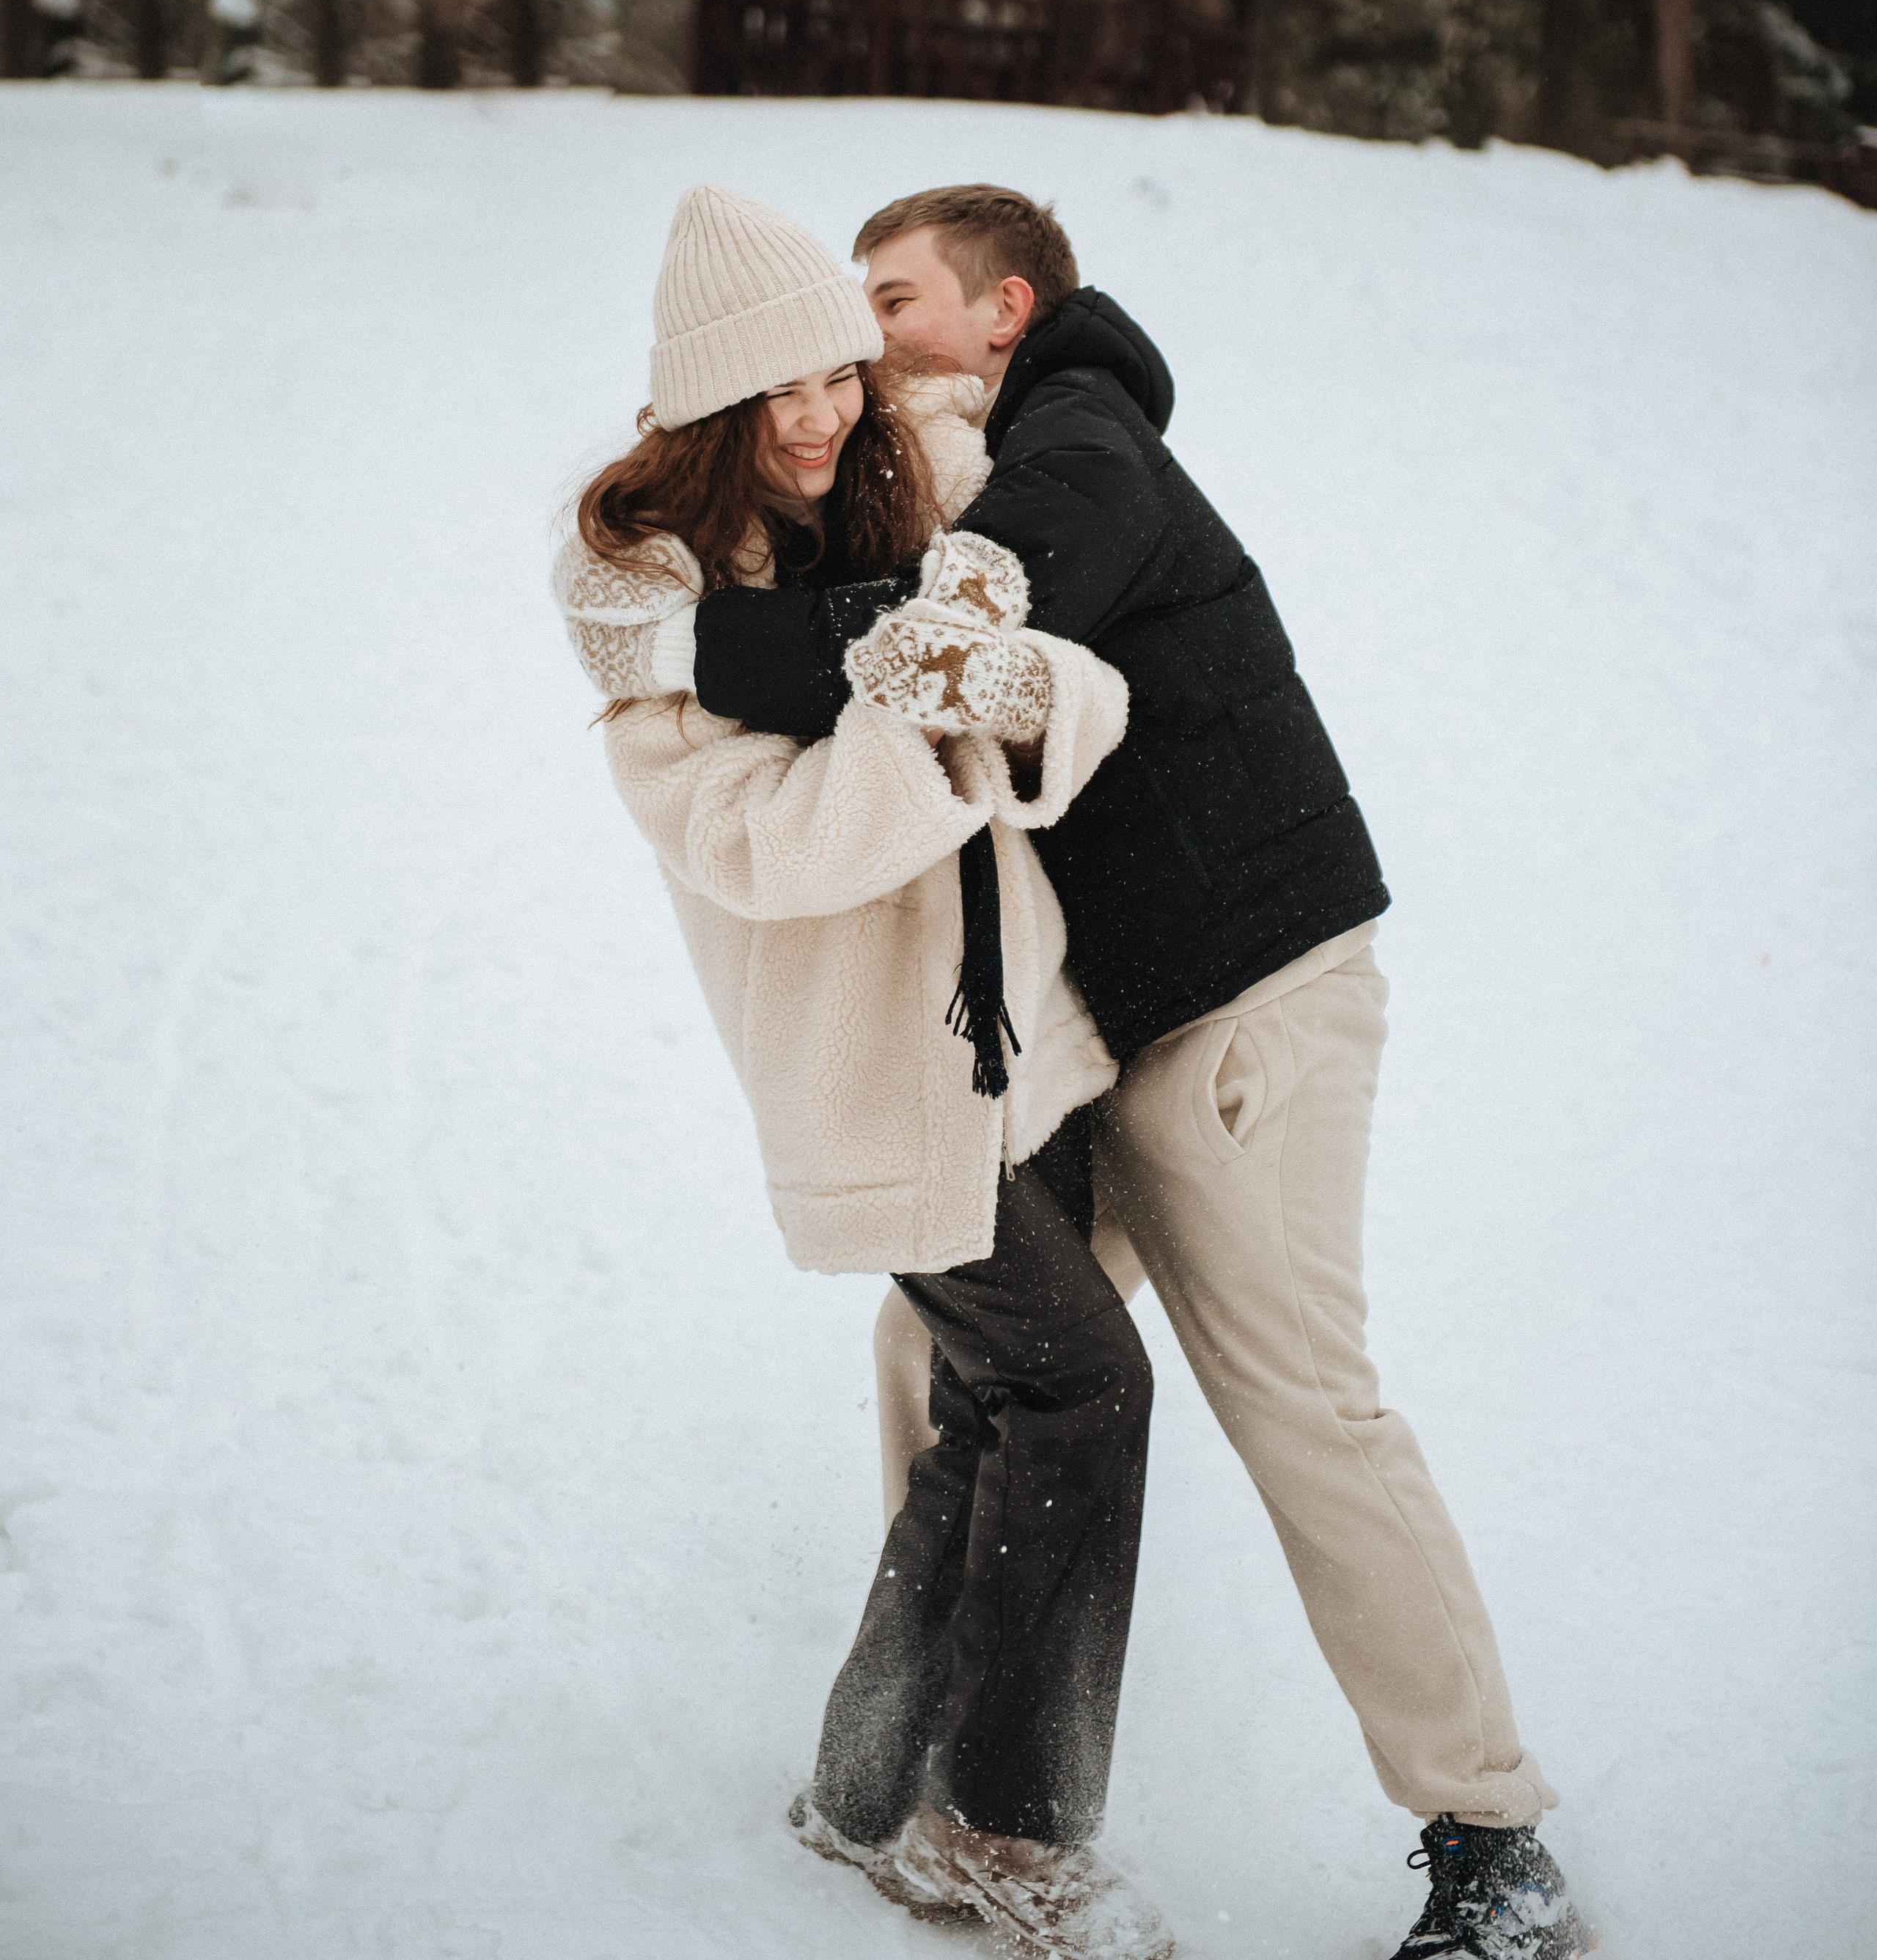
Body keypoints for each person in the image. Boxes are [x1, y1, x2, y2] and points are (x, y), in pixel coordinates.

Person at [682, 184, 1595, 1960]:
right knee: (937, 1334)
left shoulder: (1076, 440)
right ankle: (946, 1749)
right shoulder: (996, 444)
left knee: (1296, 1400)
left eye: (893, 302)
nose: (860, 347)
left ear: (1005, 307)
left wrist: (685, 644)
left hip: (1243, 998)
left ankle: (1493, 1839)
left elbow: (941, 641)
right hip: (1122, 1022)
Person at [554, 184, 1173, 1960]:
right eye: (777, 395)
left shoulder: (911, 487)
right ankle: (1002, 1844)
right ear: (702, 416)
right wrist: (920, 705)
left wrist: (1001, 662)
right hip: (875, 1087)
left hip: (1016, 1040)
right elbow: (770, 850)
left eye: (837, 370)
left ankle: (857, 1787)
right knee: (1082, 1389)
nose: (824, 415)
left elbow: (1074, 679)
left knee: (987, 1415)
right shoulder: (649, 635)